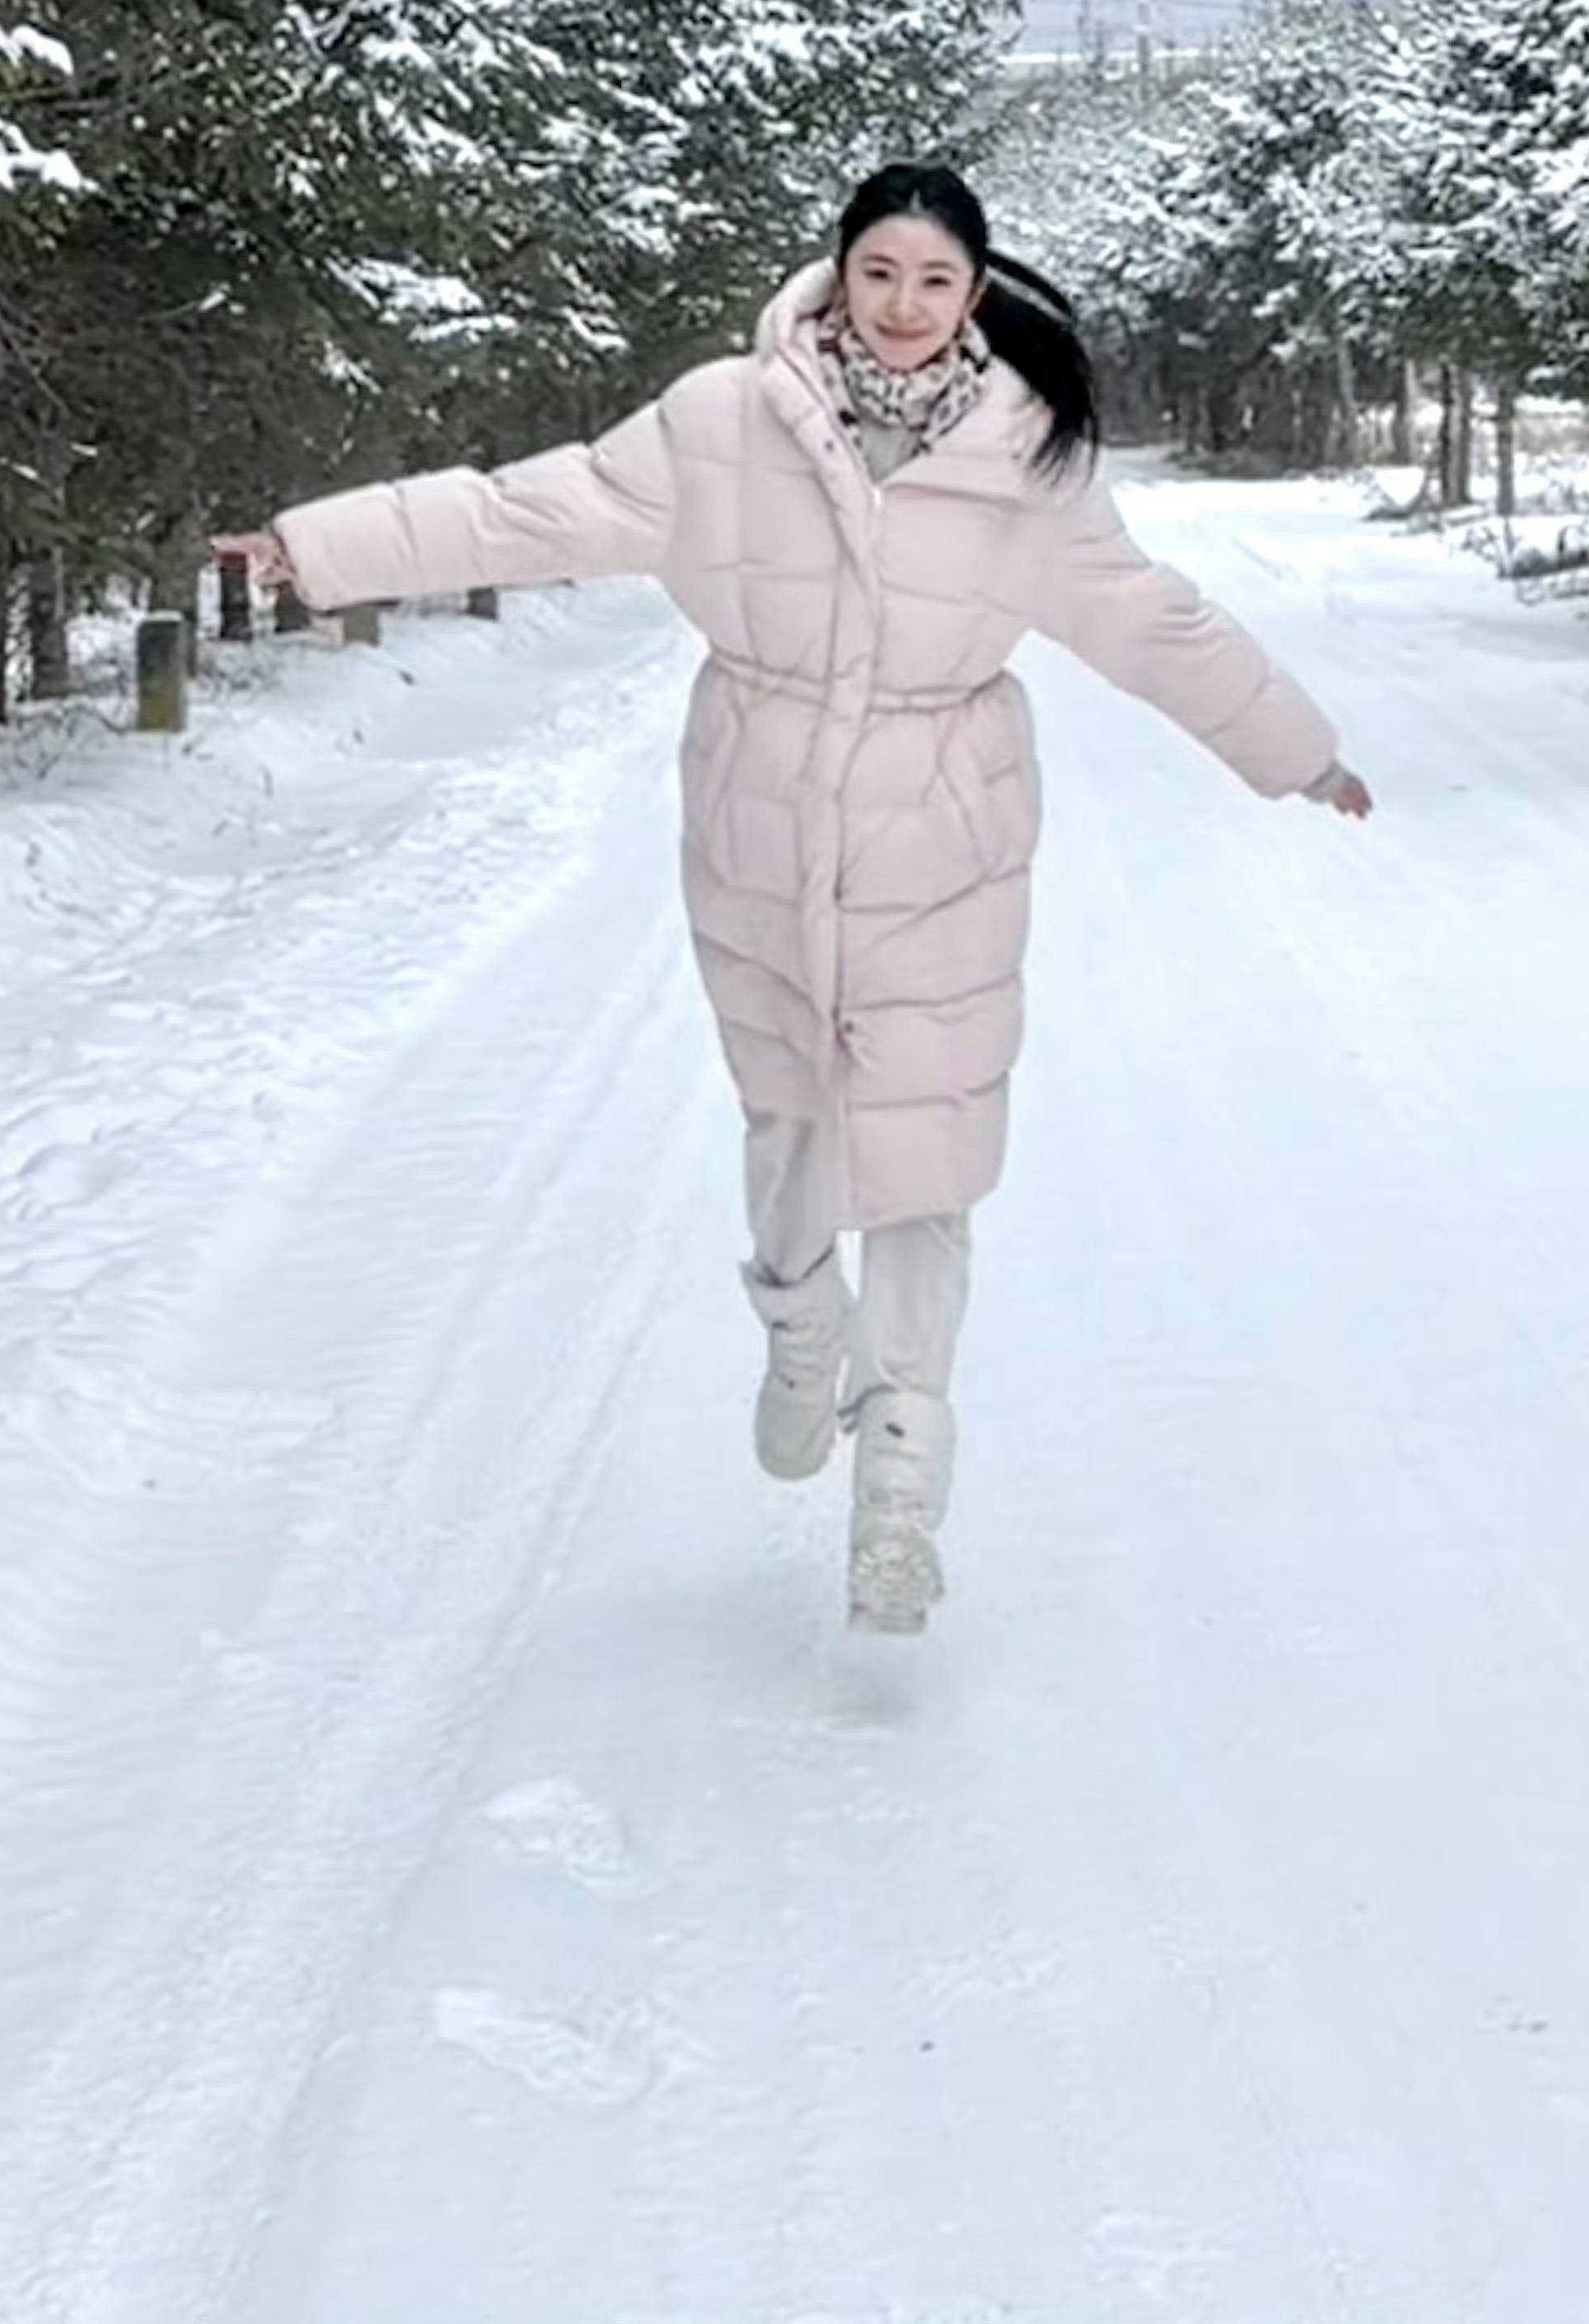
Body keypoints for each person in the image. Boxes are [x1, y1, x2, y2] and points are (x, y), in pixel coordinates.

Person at [219, 160, 1369, 1634]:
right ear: (837, 274)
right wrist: (323, 547)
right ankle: (796, 1319)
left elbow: (1155, 623)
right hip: (759, 807)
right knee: (789, 1118)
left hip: (943, 821)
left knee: (927, 1150)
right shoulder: (721, 418)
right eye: (880, 273)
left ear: (977, 294)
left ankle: (900, 1481)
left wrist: (1297, 752)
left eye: (937, 280)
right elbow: (529, 511)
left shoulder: (1031, 458)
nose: (904, 305)